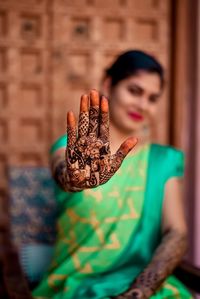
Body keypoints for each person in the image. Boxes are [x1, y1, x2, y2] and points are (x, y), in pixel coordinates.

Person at [32, 50, 193, 298]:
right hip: (76, 285)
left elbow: (177, 231)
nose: (142, 105)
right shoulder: (70, 148)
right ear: (109, 85)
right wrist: (73, 178)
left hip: (146, 286)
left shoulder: (163, 161)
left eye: (152, 98)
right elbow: (62, 172)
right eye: (134, 91)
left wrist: (144, 287)